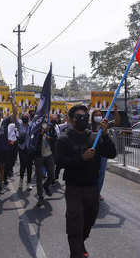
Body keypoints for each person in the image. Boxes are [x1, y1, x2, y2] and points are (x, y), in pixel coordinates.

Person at [57, 105, 117, 258]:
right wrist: (81, 158)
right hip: (74, 188)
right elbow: (60, 161)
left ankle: (80, 243)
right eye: (79, 117)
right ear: (71, 120)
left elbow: (111, 153)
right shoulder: (64, 138)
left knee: (88, 222)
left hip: (92, 188)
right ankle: (76, 253)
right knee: (74, 223)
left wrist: (105, 135)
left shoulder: (94, 137)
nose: (83, 119)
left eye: (85, 116)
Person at [33, 119, 57, 207]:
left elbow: (55, 138)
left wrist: (49, 138)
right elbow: (33, 141)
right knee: (39, 177)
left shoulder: (50, 127)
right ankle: (40, 196)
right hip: (39, 156)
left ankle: (46, 186)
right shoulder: (35, 127)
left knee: (52, 175)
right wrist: (41, 133)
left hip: (49, 154)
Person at [14, 112, 33, 191]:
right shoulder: (19, 124)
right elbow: (14, 117)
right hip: (22, 148)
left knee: (29, 167)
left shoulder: (31, 125)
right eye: (23, 116)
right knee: (22, 166)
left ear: (28, 118)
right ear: (22, 118)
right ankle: (21, 182)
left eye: (26, 116)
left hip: (29, 148)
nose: (25, 118)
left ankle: (28, 183)